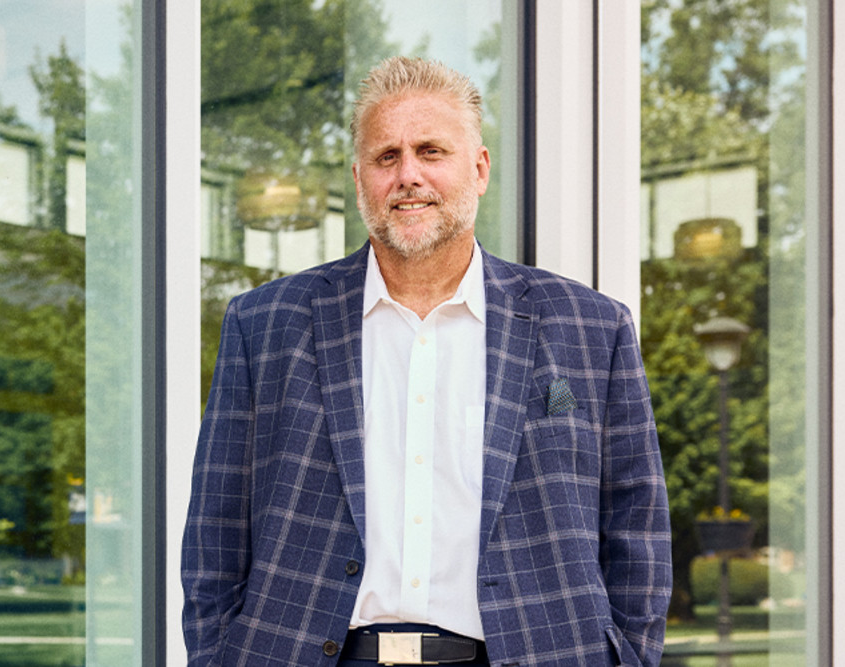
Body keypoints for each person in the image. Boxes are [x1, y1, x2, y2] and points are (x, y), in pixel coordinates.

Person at [180, 56, 670, 667]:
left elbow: (637, 526)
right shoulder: (266, 324)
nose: (408, 175)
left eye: (431, 151)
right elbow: (216, 530)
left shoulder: (591, 326)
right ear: (360, 181)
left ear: (480, 168)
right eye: (387, 157)